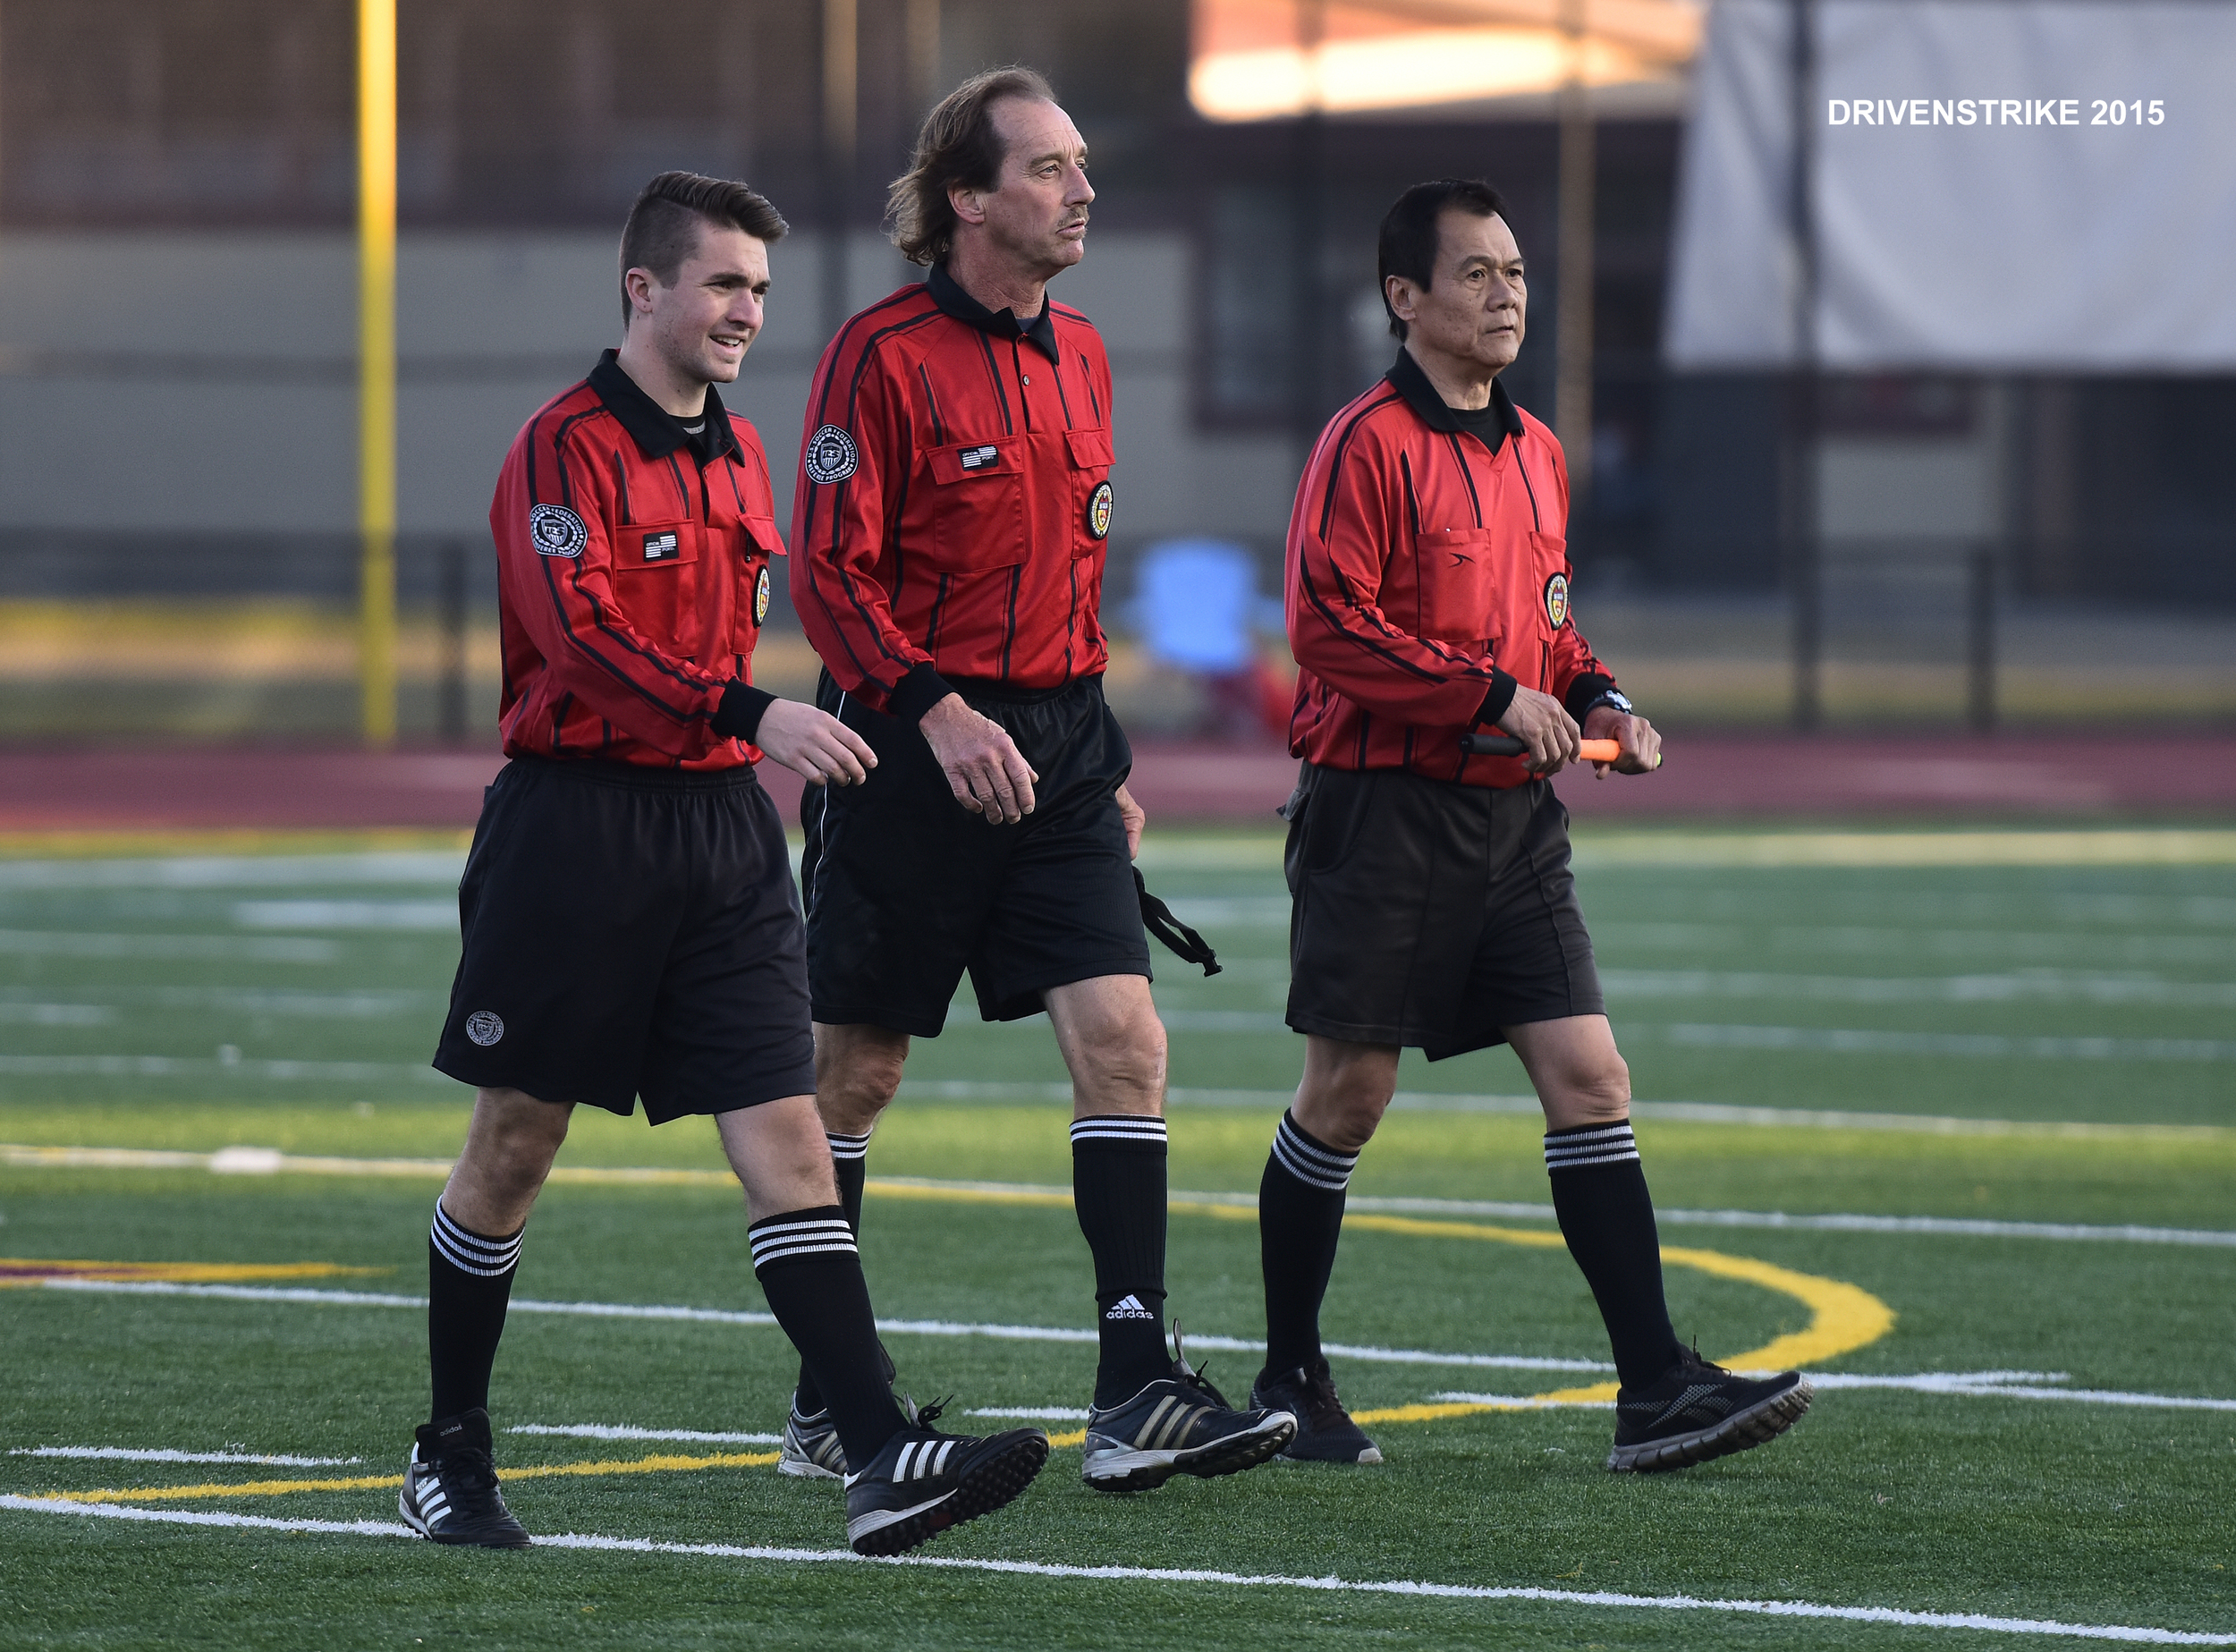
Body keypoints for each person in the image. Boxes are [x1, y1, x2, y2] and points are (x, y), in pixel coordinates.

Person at [410, 171, 1047, 1556]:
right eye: (721, 284)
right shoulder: (560, 447)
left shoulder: (746, 452)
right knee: (516, 1147)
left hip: (723, 838)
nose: (746, 310)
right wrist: (755, 714)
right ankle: (449, 1449)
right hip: (576, 829)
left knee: (790, 1144)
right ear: (644, 288)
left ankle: (877, 1451)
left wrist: (752, 740)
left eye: (759, 288)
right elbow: (580, 641)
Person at [786, 70, 1295, 1493]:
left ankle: (1135, 1387)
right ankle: (835, 1400)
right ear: (968, 196)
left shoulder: (1087, 354)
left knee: (1127, 1041)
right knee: (855, 1072)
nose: (1083, 190)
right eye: (1052, 168)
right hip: (903, 750)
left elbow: (1069, 575)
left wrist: (1101, 762)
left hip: (1062, 751)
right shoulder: (876, 357)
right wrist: (936, 713)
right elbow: (829, 576)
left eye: (1084, 165)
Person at [1253, 178, 1812, 1473]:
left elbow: (1550, 631)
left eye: (1514, 271)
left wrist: (1601, 700)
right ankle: (1290, 1377)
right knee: (1348, 1096)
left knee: (1592, 1079)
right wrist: (1492, 697)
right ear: (1406, 301)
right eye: (1477, 274)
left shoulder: (1539, 450)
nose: (1507, 292)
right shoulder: (1364, 444)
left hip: (1514, 828)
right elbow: (1327, 627)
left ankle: (1653, 1388)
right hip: (1380, 817)